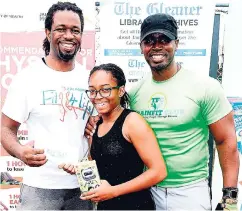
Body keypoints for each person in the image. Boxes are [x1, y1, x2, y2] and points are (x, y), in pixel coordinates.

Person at [85, 14, 239, 210]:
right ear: (141, 47)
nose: (156, 46)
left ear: (177, 43)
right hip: (148, 191)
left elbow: (226, 141)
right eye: (149, 41)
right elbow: (116, 119)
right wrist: (95, 119)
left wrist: (230, 196)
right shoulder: (136, 92)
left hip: (189, 191)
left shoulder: (206, 87)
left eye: (164, 39)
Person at [1, 2, 94, 210]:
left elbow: (98, 126)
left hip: (82, 185)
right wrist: (19, 151)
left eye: (75, 30)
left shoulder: (90, 78)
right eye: (61, 29)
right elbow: (6, 128)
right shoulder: (27, 78)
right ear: (47, 32)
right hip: (39, 188)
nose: (69, 36)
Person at [60, 63, 167, 210]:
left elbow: (159, 171)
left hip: (136, 206)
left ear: (121, 90)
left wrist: (113, 192)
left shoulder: (132, 122)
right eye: (92, 91)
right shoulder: (95, 125)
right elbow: (101, 168)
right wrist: (79, 170)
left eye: (105, 90)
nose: (97, 97)